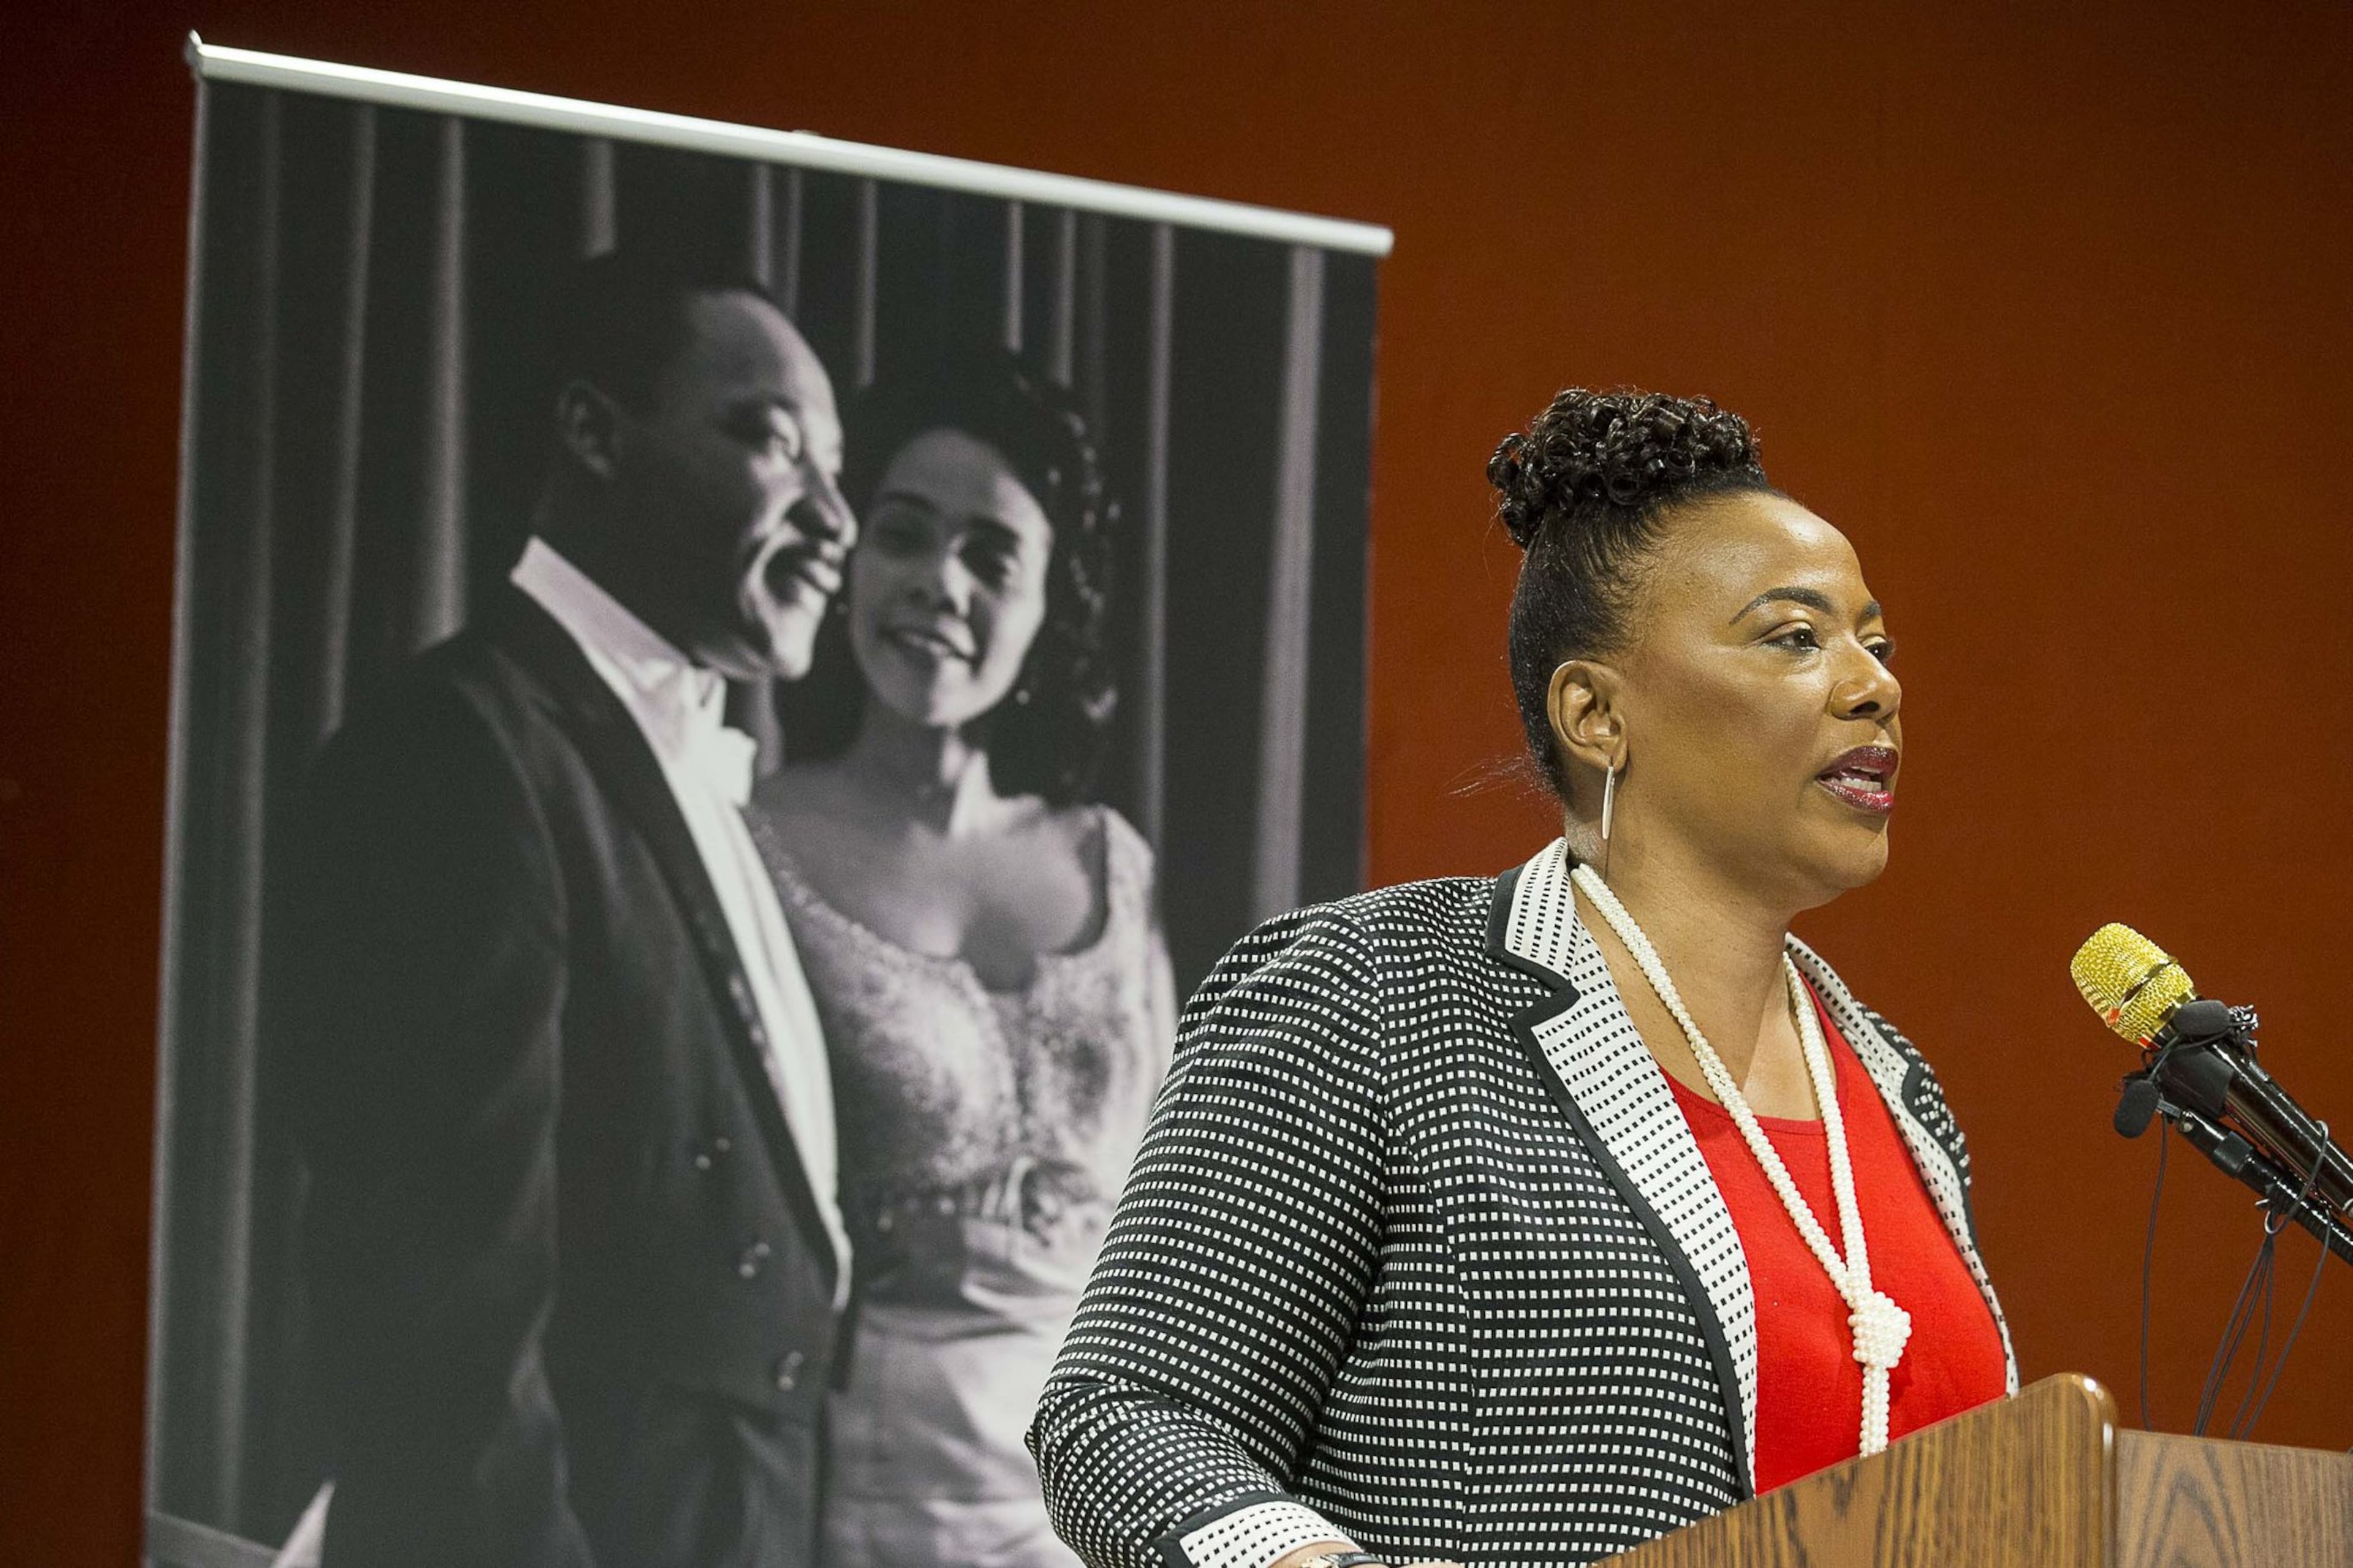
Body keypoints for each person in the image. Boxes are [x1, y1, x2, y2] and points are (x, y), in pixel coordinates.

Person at [1029, 388, 2017, 1568]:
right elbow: (1124, 1419)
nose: (1874, 685)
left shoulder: (1896, 1092)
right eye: (1794, 637)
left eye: (1876, 644)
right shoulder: (1375, 993)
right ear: (1595, 714)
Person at [279, 249, 857, 1568]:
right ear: (596, 432)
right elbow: (440, 1342)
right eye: (775, 444)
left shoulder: (673, 768)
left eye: (838, 468)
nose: (836, 518)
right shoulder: (456, 754)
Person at [749, 355, 1176, 1568]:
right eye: (904, 534)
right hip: (855, 1497)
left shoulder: (1110, 862)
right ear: (848, 562)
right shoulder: (753, 840)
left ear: (1048, 612)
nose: (941, 582)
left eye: (993, 557)